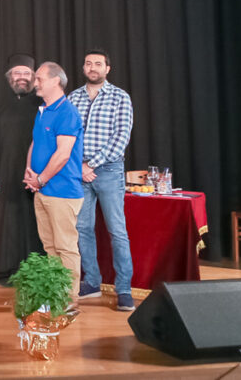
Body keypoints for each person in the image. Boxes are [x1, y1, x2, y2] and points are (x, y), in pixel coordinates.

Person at [69, 49, 135, 312]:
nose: (92, 67)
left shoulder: (120, 97)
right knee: (82, 228)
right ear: (83, 68)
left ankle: (124, 290)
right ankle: (92, 282)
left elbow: (121, 137)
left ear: (107, 68)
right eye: (88, 63)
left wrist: (91, 164)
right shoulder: (73, 97)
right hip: (78, 171)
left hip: (108, 170)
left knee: (117, 230)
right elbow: (68, 136)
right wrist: (79, 166)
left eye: (98, 63)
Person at [23, 61, 84, 309]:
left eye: (39, 78)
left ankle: (69, 299)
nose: (35, 82)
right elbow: (35, 143)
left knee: (65, 247)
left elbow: (62, 155)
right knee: (50, 247)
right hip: (42, 189)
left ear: (56, 81)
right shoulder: (43, 110)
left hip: (63, 191)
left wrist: (40, 179)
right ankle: (56, 293)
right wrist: (29, 171)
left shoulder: (67, 112)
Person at [0, 54, 44, 286]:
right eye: (17, 73)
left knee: (34, 222)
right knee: (8, 223)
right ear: (9, 77)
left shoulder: (42, 104)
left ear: (33, 77)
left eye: (26, 73)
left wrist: (42, 174)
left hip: (36, 175)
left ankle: (34, 272)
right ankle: (7, 271)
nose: (22, 77)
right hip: (6, 172)